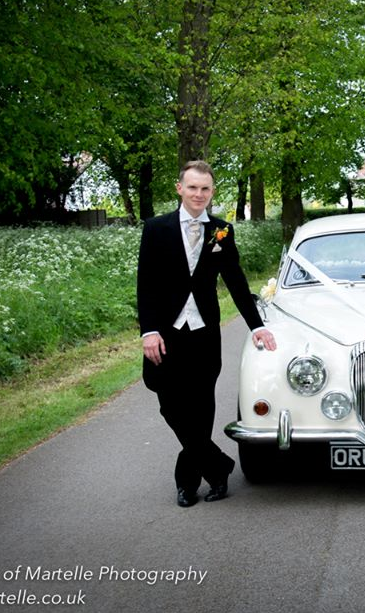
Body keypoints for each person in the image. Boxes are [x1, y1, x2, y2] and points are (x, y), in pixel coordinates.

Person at [137, 160, 276, 508]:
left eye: (205, 189)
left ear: (212, 192)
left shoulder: (221, 231)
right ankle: (218, 465)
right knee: (170, 405)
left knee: (200, 410)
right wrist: (149, 331)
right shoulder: (155, 229)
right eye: (192, 187)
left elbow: (236, 282)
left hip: (204, 336)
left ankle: (188, 484)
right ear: (179, 188)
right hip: (166, 334)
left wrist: (257, 325)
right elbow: (146, 283)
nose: (198, 194)